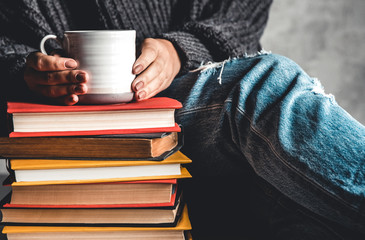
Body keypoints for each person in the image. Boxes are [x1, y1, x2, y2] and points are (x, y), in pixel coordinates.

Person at [0, 0, 364, 239]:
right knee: (261, 87)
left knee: (294, 205)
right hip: (68, 119)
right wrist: (24, 72)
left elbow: (243, 13)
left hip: (180, 93)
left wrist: (180, 49)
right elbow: (9, 45)